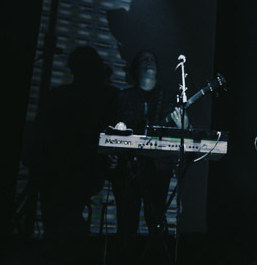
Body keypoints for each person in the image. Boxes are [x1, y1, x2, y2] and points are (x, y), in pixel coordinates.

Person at [30, 46, 118, 244]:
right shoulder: (60, 96)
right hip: (62, 169)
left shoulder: (107, 96)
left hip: (81, 169)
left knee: (61, 218)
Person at [110, 50, 189, 243]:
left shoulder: (170, 97)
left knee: (156, 220)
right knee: (126, 222)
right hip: (127, 168)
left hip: (157, 168)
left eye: (152, 59)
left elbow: (187, 131)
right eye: (144, 59)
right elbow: (110, 129)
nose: (148, 62)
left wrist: (183, 125)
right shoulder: (123, 97)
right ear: (135, 69)